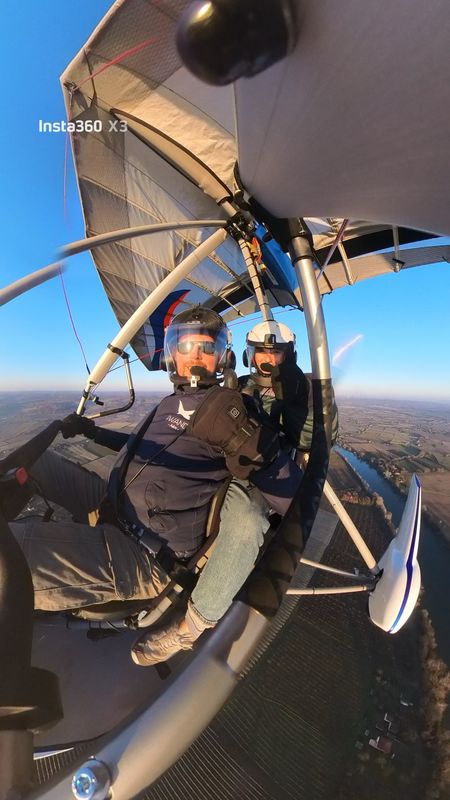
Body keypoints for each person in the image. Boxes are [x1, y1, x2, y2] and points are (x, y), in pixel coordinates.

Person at [9, 308, 302, 665]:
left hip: (142, 554)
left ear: (222, 358)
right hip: (112, 505)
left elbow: (291, 494)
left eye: (206, 349)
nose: (196, 356)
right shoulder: (173, 402)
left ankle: (186, 630)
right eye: (188, 346)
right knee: (29, 462)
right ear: (171, 355)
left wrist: (268, 450)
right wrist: (92, 432)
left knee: (7, 560)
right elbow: (141, 448)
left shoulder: (227, 410)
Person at [239, 320, 339, 458]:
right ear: (249, 356)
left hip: (279, 463)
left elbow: (309, 442)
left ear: (288, 356)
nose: (268, 359)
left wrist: (306, 399)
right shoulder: (241, 384)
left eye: (276, 351)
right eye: (261, 350)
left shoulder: (300, 386)